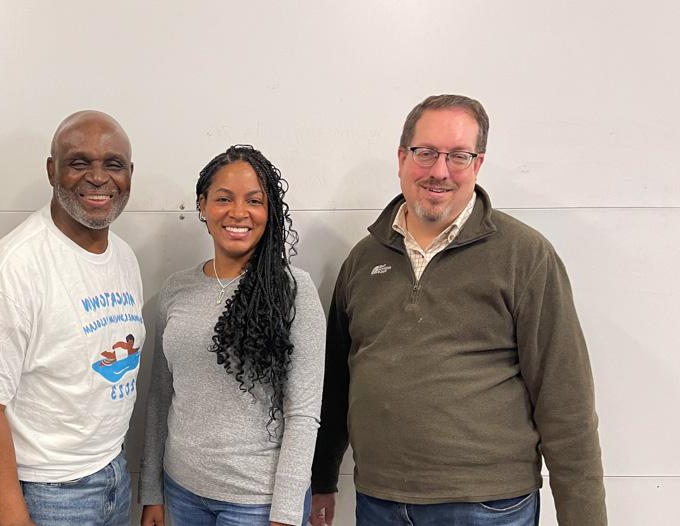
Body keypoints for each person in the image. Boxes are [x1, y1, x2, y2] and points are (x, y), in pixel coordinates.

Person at [310, 94, 606, 526]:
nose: (439, 171)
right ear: (401, 158)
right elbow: (336, 381)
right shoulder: (363, 259)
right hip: (379, 500)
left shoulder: (524, 256)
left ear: (478, 165)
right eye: (426, 153)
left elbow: (566, 403)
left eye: (458, 156)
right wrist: (323, 479)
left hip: (486, 506)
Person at [0, 111, 143, 526]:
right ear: (52, 170)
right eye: (78, 163)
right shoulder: (13, 267)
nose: (97, 177)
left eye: (113, 164)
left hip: (114, 472)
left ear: (129, 173)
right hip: (47, 493)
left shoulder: (123, 257)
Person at [139, 145, 326, 526]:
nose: (238, 213)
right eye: (224, 198)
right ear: (203, 206)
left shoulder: (294, 291)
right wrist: (151, 492)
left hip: (257, 503)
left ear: (268, 211)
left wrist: (287, 513)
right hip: (182, 493)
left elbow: (304, 413)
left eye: (254, 201)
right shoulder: (176, 289)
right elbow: (160, 396)